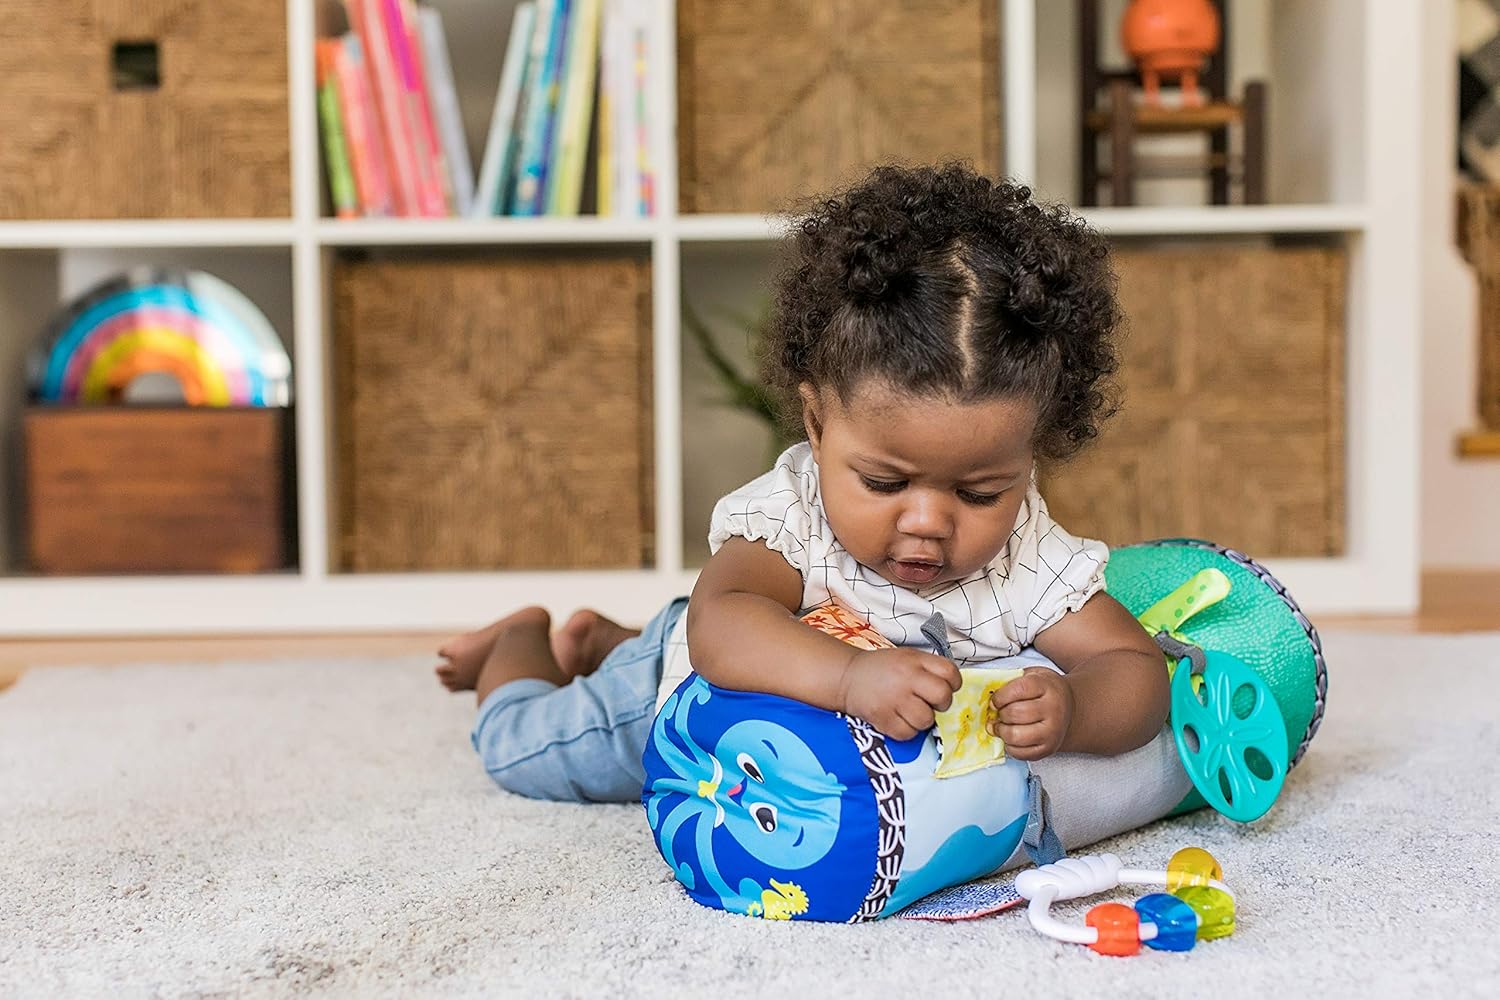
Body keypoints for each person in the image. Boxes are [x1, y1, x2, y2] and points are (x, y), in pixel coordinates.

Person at [436, 161, 1169, 803]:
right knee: (521, 750)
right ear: (817, 424)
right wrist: (853, 680)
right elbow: (721, 624)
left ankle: (600, 637)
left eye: (979, 493)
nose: (927, 523)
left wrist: (1076, 708)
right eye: (884, 483)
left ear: (1030, 456)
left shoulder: (1027, 554)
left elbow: (1132, 667)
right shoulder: (794, 515)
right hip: (687, 686)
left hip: (781, 693)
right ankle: (519, 645)